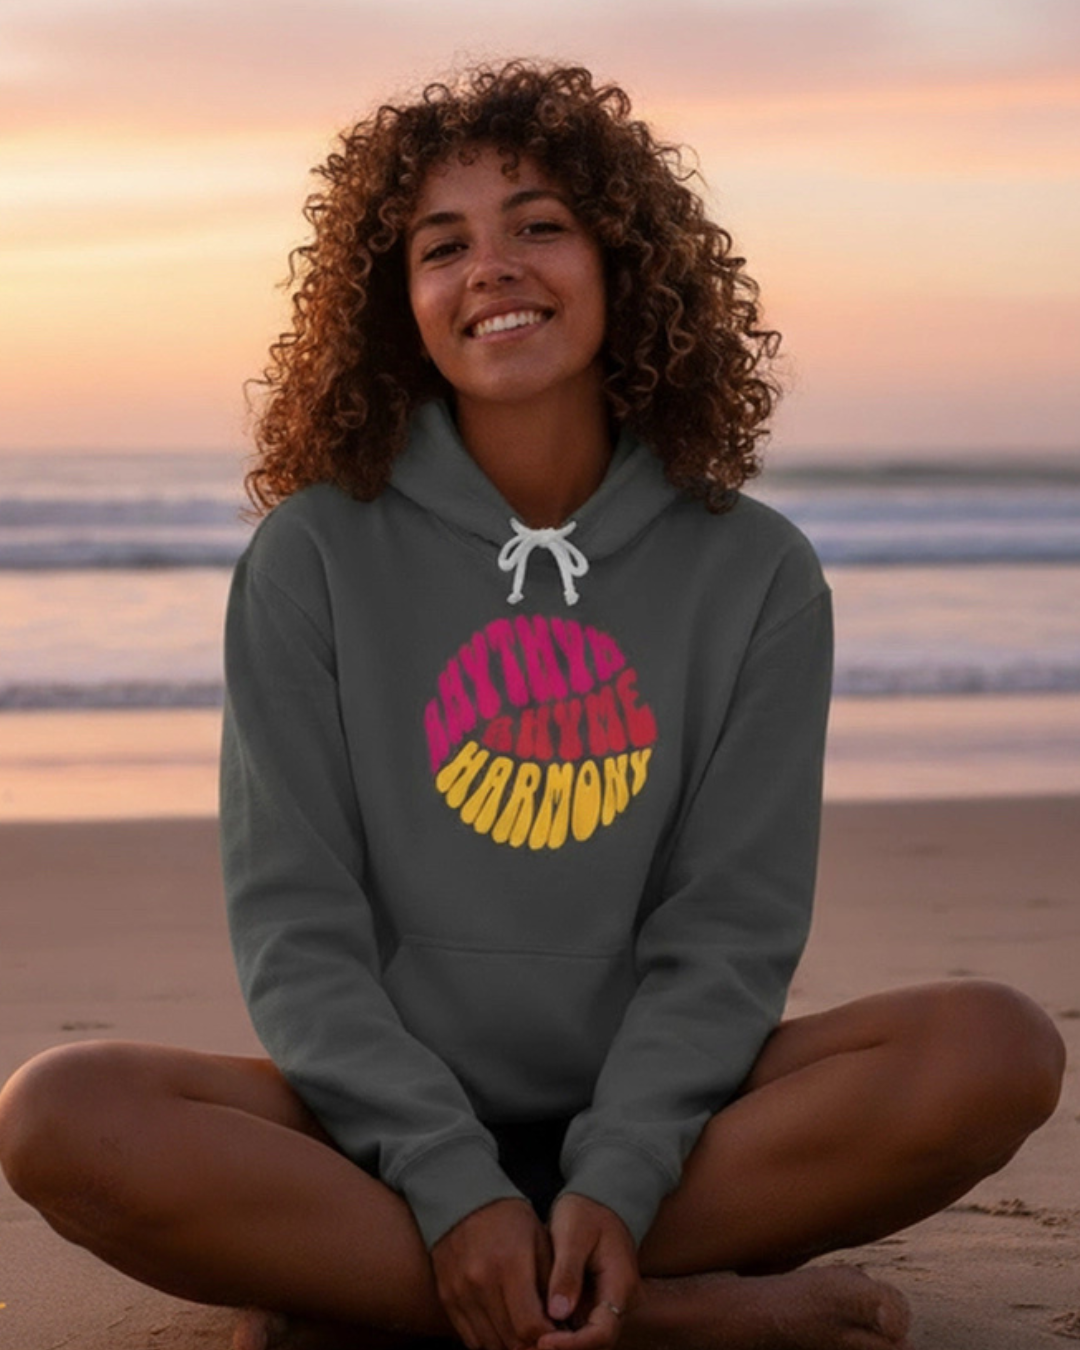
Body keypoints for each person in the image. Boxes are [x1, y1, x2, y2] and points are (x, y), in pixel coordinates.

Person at [0, 60, 1065, 1350]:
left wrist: (621, 1169)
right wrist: (446, 1178)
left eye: (539, 225)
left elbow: (728, 931)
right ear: (399, 306)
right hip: (374, 1133)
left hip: (675, 1134)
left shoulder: (757, 573)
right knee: (63, 1115)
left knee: (991, 1049)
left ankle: (409, 1284)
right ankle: (658, 1312)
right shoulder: (312, 556)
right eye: (442, 246)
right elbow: (298, 932)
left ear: (625, 266)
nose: (491, 268)